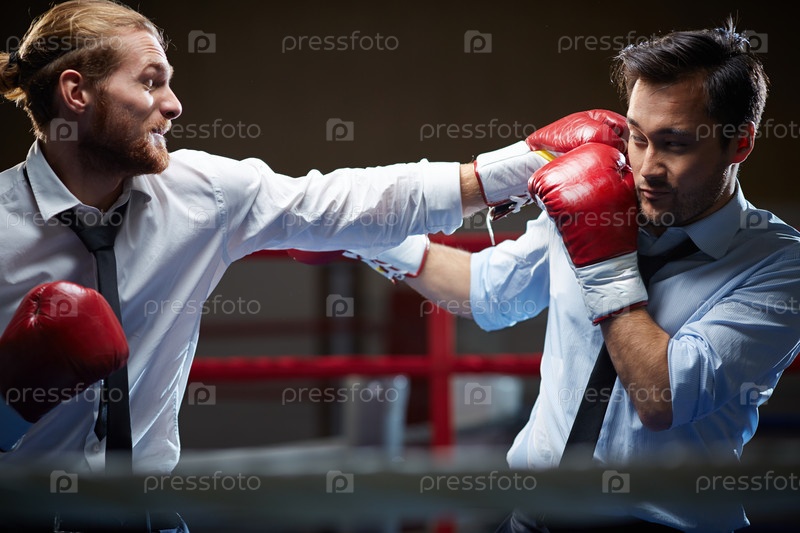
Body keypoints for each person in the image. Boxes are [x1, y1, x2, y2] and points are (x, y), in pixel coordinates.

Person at [0, 0, 630, 528]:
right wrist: (11, 400)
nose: (174, 104)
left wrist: (523, 163)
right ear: (76, 93)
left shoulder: (200, 193)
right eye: (149, 81)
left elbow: (346, 199)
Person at [322, 18, 800, 532]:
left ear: (740, 144)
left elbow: (664, 396)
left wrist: (605, 264)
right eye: (637, 138)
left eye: (675, 144)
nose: (647, 168)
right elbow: (486, 290)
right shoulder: (600, 198)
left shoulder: (779, 266)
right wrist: (359, 235)